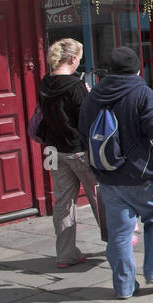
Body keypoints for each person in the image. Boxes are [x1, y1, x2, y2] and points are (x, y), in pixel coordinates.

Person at [79, 46, 153, 298]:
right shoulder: (142, 93)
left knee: (119, 233)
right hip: (142, 175)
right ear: (137, 68)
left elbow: (82, 134)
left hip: (108, 176)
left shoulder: (92, 96)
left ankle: (123, 287)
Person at [38, 38, 108, 267]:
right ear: (73, 58)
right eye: (79, 58)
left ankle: (66, 254)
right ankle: (116, 243)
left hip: (55, 150)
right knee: (99, 196)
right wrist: (88, 95)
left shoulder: (44, 83)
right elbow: (88, 119)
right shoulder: (75, 85)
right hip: (79, 150)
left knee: (63, 203)